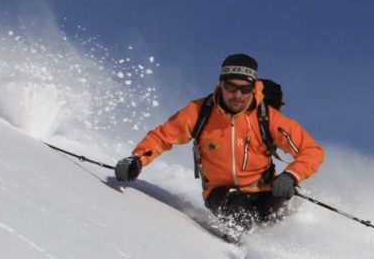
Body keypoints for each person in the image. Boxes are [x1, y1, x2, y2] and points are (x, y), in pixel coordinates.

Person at [115, 54, 325, 232]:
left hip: (264, 189)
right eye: (231, 87)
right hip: (221, 193)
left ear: (254, 88)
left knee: (274, 219)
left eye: (244, 89)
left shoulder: (267, 118)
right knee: (240, 217)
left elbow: (311, 151)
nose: (237, 95)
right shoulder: (199, 113)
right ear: (220, 84)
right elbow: (162, 137)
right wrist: (138, 159)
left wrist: (291, 176)